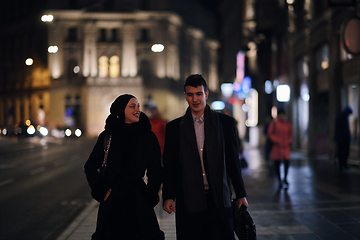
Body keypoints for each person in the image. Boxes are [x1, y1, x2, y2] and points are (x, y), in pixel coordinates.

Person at [162, 74, 248, 240]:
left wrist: (241, 194)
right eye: (190, 94)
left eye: (199, 94)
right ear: (185, 96)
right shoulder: (174, 128)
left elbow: (232, 162)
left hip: (219, 199)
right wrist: (168, 196)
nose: (195, 99)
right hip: (189, 199)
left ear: (206, 94)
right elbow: (170, 166)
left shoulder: (225, 123)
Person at [84, 94, 164, 240]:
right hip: (112, 203)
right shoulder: (108, 136)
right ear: (121, 110)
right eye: (132, 106)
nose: (137, 110)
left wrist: (150, 195)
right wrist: (101, 191)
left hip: (139, 203)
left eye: (138, 106)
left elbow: (156, 170)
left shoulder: (147, 137)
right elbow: (90, 166)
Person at [267, 109, 293, 189]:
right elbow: (270, 133)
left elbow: (291, 133)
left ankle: (285, 178)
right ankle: (279, 180)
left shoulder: (287, 123)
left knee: (287, 163)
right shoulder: (274, 123)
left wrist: (288, 141)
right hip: (277, 147)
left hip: (285, 147)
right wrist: (276, 140)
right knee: (277, 164)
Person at [334, 106, 353, 172]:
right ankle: (342, 165)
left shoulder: (342, 117)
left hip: (342, 138)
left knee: (342, 152)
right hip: (342, 139)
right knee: (342, 152)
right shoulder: (342, 117)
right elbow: (343, 129)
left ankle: (342, 165)